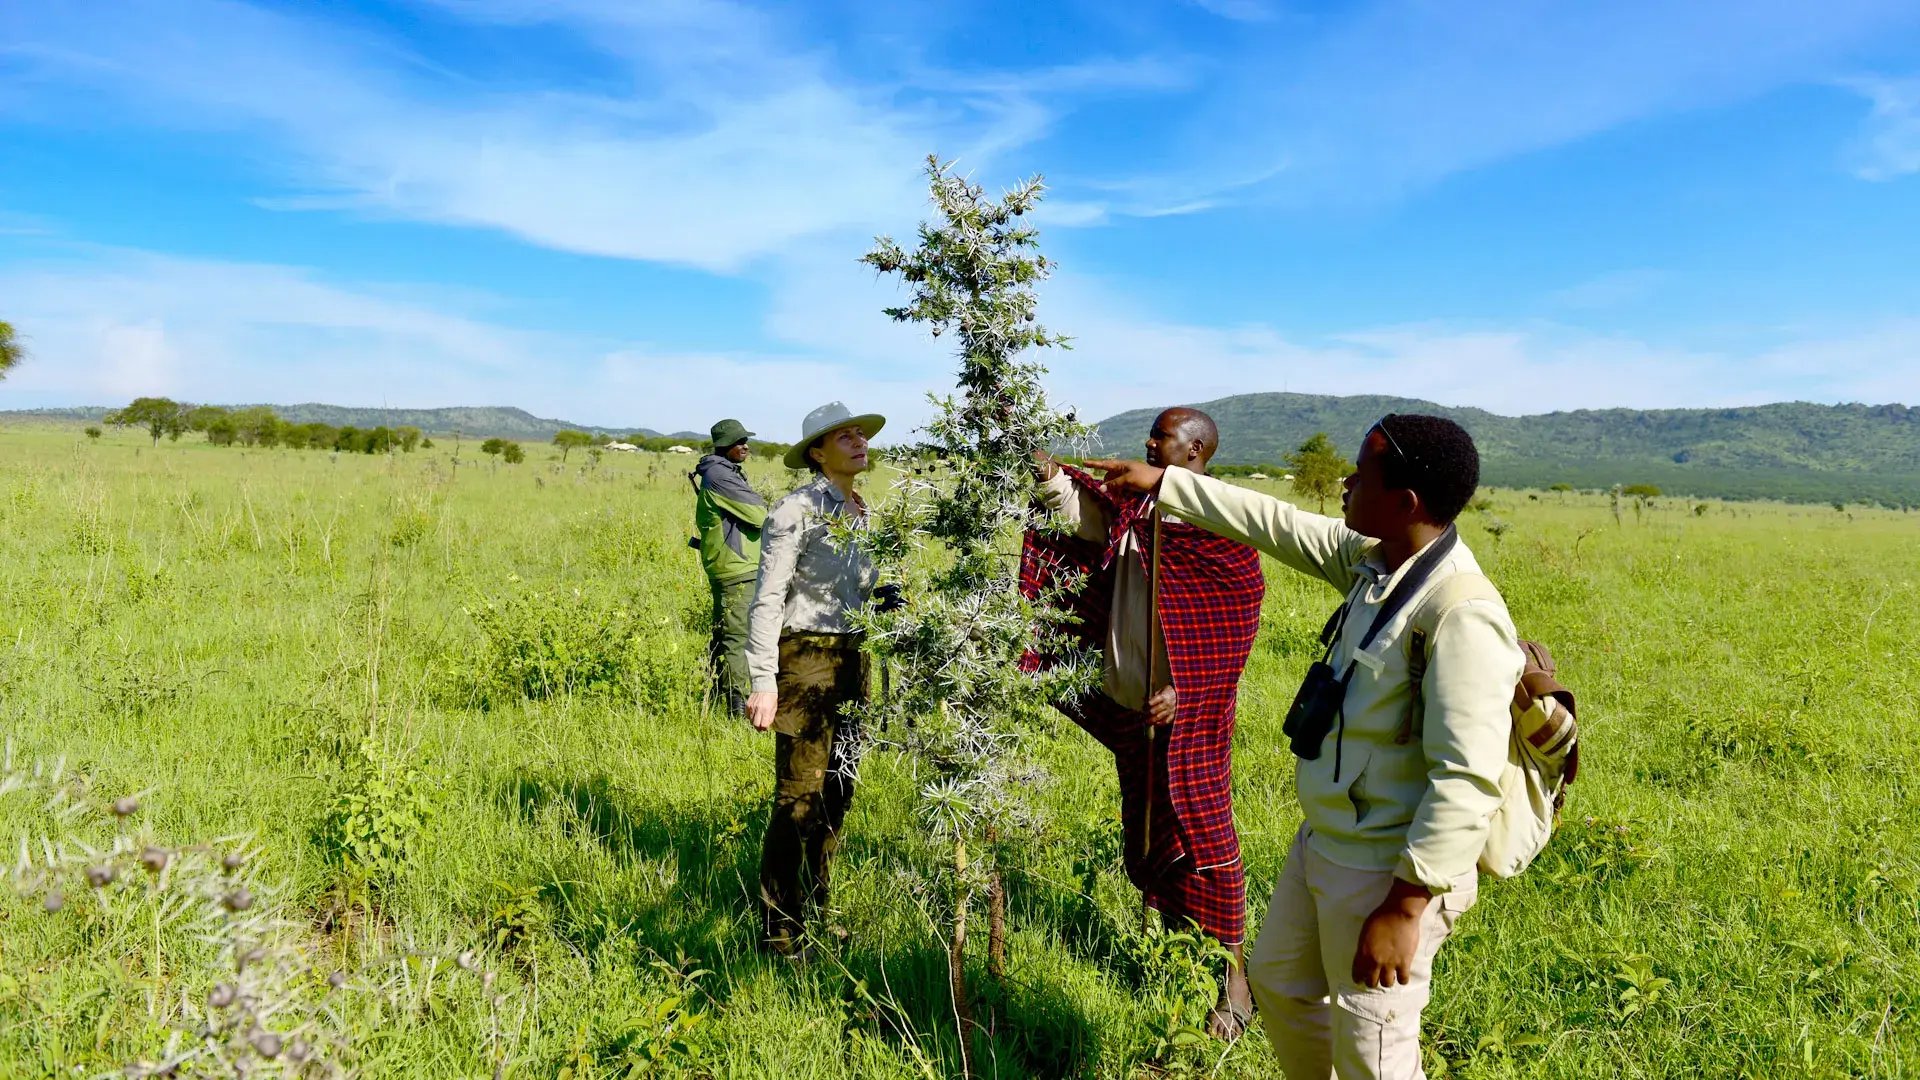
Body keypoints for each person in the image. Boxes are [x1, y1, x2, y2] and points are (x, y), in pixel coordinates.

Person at [1089, 414, 1523, 1079]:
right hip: (1326, 840)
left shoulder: (1459, 611)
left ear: (1404, 502)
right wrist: (1167, 483)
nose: (1344, 481)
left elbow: (1467, 780)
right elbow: (1275, 522)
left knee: (1374, 1044)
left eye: (1361, 473)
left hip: (1386, 868)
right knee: (1281, 985)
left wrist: (1406, 907)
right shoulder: (1375, 564)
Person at [1022, 407, 1265, 1039]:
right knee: (1150, 829)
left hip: (1189, 724)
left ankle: (1234, 979)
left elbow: (1232, 622)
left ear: (1194, 451)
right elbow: (1084, 514)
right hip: (1131, 706)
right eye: (1151, 433)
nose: (1147, 443)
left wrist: (1185, 691)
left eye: (1160, 437)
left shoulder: (1220, 521)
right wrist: (1045, 468)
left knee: (1205, 841)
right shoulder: (1139, 509)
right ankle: (1181, 952)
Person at [744, 401, 885, 956]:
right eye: (843, 437)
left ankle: (818, 903)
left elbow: (861, 589)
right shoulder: (796, 510)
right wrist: (764, 680)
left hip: (854, 655)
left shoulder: (863, 512)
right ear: (817, 454)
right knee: (799, 793)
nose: (858, 442)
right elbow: (768, 597)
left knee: (839, 788)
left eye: (860, 434)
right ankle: (780, 931)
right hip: (805, 656)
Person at [693, 418, 767, 716]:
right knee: (738, 638)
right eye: (740, 442)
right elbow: (760, 515)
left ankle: (722, 699)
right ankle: (738, 708)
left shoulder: (720, 472)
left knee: (728, 636)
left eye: (746, 441)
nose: (745, 447)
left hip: (730, 564)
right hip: (736, 567)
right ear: (726, 446)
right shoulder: (720, 476)